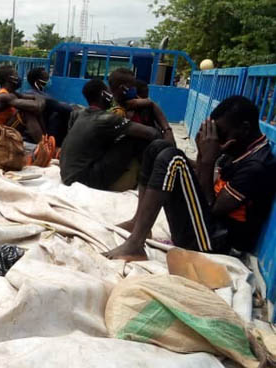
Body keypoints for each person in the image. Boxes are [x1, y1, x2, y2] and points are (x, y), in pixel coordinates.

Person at [106, 96, 276, 260]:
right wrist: (202, 155)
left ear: (245, 129)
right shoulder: (241, 148)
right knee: (158, 147)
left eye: (222, 133)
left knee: (173, 159)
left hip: (217, 243)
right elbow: (209, 180)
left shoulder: (256, 167)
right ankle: (138, 223)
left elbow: (213, 208)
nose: (217, 139)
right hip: (204, 227)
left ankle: (135, 244)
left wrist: (208, 160)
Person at [60, 79, 160, 191]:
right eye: (109, 92)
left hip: (67, 175)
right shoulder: (106, 119)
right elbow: (152, 133)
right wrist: (154, 107)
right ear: (104, 94)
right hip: (83, 179)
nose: (112, 95)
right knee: (136, 139)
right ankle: (154, 184)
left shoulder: (80, 114)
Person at [108, 68, 175, 144]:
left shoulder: (141, 105)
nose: (134, 89)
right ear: (123, 88)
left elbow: (151, 104)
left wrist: (167, 131)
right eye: (132, 86)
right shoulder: (113, 111)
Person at [0, 64, 45, 143]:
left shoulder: (12, 93)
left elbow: (36, 98)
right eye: (16, 75)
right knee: (26, 112)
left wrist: (39, 100)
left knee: (30, 109)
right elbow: (37, 106)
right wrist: (40, 101)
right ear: (8, 79)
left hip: (0, 129)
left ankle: (45, 140)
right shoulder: (4, 96)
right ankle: (43, 146)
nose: (18, 78)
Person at [26, 66, 75, 147]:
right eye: (46, 78)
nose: (49, 81)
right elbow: (67, 108)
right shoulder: (41, 97)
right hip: (40, 132)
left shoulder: (29, 92)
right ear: (38, 82)